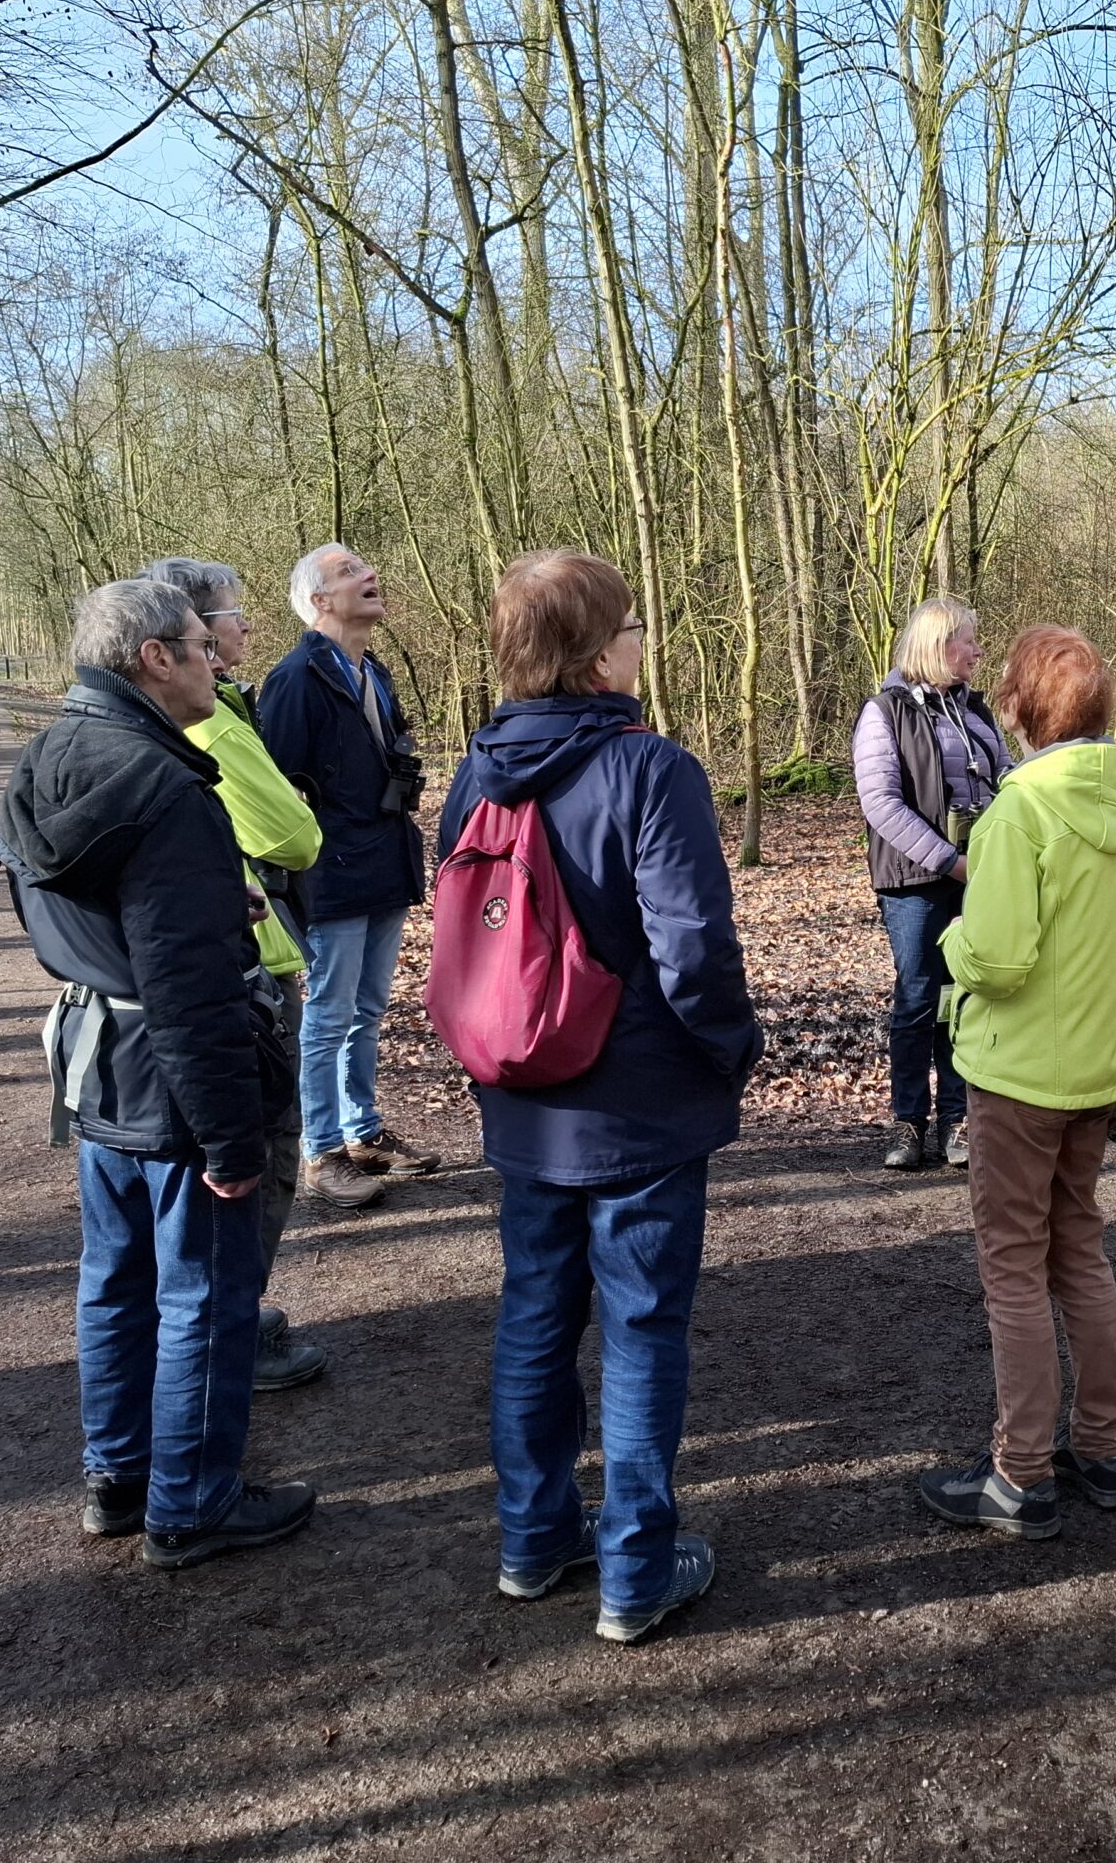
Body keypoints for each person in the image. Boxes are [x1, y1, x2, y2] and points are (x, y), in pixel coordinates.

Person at [435, 550, 763, 1644]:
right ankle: (636, 1569)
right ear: (593, 654)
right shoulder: (649, 769)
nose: (639, 643)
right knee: (639, 1328)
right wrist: (730, 1048)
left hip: (522, 1093)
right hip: (638, 1104)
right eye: (628, 627)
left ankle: (533, 1543)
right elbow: (693, 949)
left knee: (533, 1314)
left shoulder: (476, 772)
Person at [0, 579, 316, 1570]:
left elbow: (45, 918)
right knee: (204, 1295)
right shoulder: (165, 791)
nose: (219, 660)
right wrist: (229, 1135)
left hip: (93, 1058)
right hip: (173, 1071)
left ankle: (119, 1476)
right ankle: (191, 1505)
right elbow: (190, 984)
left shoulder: (42, 759)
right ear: (152, 658)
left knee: (117, 1282)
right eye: (198, 645)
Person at [916, 625, 1116, 1539]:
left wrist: (948, 944)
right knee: (1080, 1251)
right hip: (1099, 1067)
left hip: (1020, 1074)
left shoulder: (1018, 812)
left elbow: (998, 955)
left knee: (1015, 1268)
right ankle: (1102, 1445)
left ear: (1019, 709)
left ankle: (1020, 1474)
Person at [146, 556, 330, 1393]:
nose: (247, 627)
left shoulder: (174, 717)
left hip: (206, 965)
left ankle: (219, 1322)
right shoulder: (214, 724)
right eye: (232, 615)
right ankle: (232, 1332)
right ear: (193, 635)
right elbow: (296, 838)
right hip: (249, 962)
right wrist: (292, 805)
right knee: (259, 1150)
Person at [257, 543, 441, 1211]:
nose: (369, 575)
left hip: (384, 862)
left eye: (366, 566)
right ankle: (321, 1152)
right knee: (329, 1016)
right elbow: (275, 788)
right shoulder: (296, 679)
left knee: (366, 1010)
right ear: (317, 602)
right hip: (330, 873)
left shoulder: (376, 671)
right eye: (348, 573)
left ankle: (362, 1133)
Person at [852, 597, 1010, 1171]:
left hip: (980, 876)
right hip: (915, 881)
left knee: (964, 997)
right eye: (968, 640)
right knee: (920, 996)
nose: (977, 650)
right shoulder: (884, 711)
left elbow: (1007, 781)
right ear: (937, 645)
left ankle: (957, 1122)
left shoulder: (978, 712)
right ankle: (908, 1122)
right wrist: (951, 862)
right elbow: (882, 804)